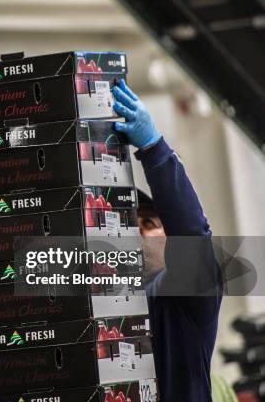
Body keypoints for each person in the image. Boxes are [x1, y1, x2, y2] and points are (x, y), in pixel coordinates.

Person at [112, 80, 223, 402]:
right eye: (131, 228)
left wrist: (153, 148)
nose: (145, 234)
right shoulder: (99, 307)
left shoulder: (183, 299)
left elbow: (191, 233)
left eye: (151, 223)